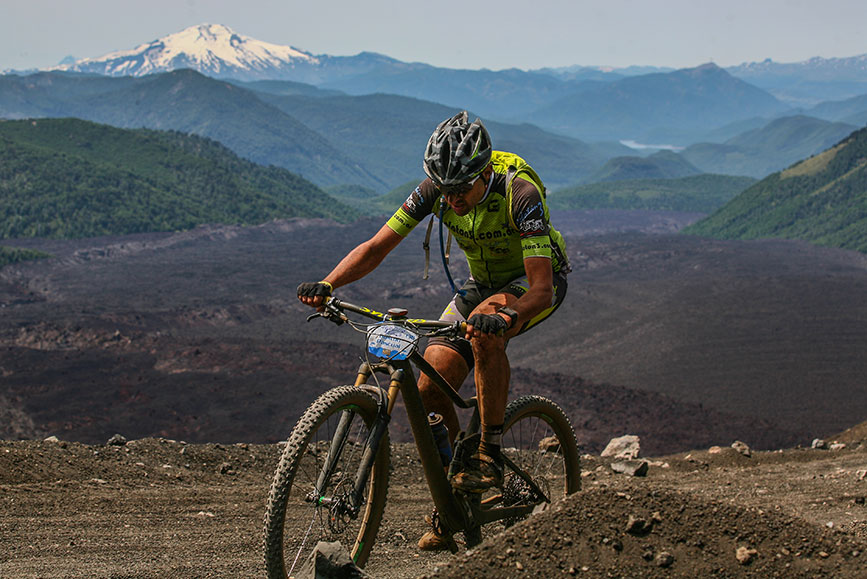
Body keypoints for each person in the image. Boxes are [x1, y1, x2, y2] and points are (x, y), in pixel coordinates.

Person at [297, 110, 569, 550]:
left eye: (462, 189)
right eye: (446, 190)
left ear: (483, 172)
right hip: (481, 283)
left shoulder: (520, 194)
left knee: (483, 335)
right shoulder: (435, 190)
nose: (453, 199)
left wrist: (505, 318)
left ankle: (489, 456)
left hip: (532, 281)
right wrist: (329, 283)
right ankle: (452, 501)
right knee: (428, 386)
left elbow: (540, 288)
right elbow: (376, 246)